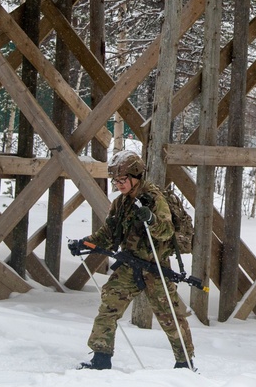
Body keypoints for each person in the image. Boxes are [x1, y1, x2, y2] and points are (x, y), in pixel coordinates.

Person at [68, 151, 194, 370]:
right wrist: (84, 244)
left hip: (155, 267)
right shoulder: (120, 204)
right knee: (109, 306)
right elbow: (107, 235)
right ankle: (101, 358)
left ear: (136, 176)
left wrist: (151, 219)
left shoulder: (153, 198)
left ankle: (184, 363)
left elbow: (166, 232)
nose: (119, 185)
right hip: (129, 265)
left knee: (170, 316)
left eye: (123, 180)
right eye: (116, 181)